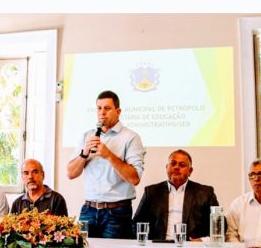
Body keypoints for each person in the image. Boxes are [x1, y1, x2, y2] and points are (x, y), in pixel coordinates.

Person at [67, 90, 145, 238]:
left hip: (116, 213)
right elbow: (71, 173)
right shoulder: (86, 136)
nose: (102, 113)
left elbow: (134, 178)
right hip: (88, 210)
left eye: (107, 108)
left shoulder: (131, 138)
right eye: (99, 108)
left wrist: (109, 155)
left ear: (118, 111)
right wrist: (84, 153)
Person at [133, 149, 219, 240]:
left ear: (190, 171)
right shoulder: (151, 192)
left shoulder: (205, 193)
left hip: (191, 247)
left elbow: (219, 223)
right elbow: (137, 223)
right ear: (166, 167)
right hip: (159, 246)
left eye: (182, 165)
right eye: (173, 163)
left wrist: (203, 240)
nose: (176, 167)